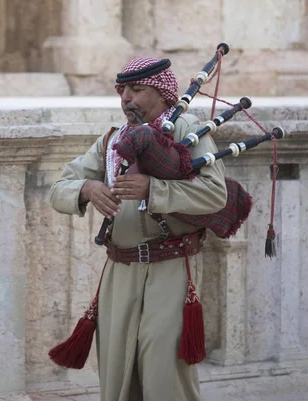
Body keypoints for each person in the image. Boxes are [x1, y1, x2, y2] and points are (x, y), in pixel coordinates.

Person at [47, 56, 228, 401]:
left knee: (164, 376)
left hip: (170, 270)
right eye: (123, 90)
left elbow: (214, 193)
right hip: (119, 273)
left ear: (162, 95)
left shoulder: (186, 130)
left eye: (137, 89)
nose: (126, 98)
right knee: (117, 376)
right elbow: (59, 188)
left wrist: (154, 189)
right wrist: (86, 189)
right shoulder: (113, 140)